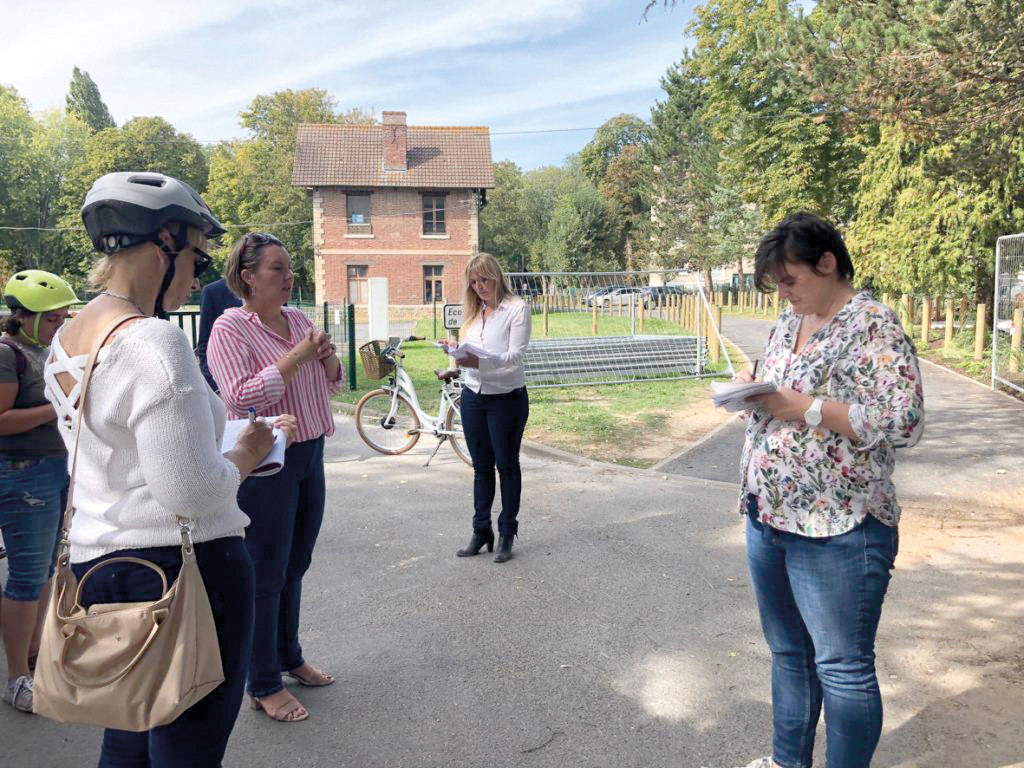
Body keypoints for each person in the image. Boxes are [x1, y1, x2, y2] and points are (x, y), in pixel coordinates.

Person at [43, 171, 297, 766]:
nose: (197, 278)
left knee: (127, 732)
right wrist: (247, 454)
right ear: (165, 244)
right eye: (196, 260)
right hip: (184, 571)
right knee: (189, 746)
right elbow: (191, 490)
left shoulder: (71, 338)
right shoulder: (153, 341)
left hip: (97, 565)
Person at [732, 213, 924, 768]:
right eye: (777, 284)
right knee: (789, 653)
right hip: (767, 515)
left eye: (790, 280)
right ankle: (787, 762)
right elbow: (778, 390)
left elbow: (902, 419)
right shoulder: (786, 325)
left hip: (839, 527)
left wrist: (804, 407)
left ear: (827, 263)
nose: (784, 293)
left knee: (841, 666)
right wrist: (754, 389)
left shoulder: (871, 324)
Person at [207, 232, 343, 723]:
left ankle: (289, 655)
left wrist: (326, 356)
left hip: (311, 452)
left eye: (289, 269)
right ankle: (262, 682)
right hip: (268, 462)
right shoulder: (230, 328)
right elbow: (239, 397)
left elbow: (335, 379)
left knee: (296, 563)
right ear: (248, 278)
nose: (289, 278)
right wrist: (295, 359)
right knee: (265, 571)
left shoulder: (300, 319)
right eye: (277, 269)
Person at [0, 270, 78, 713]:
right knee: (28, 577)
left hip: (52, 470)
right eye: (51, 320)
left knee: (46, 568)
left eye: (61, 318)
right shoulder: (8, 354)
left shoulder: (46, 352)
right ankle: (17, 677)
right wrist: (58, 405)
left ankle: (33, 654)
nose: (58, 326)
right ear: (22, 316)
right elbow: (2, 420)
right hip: (22, 472)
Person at [441, 252, 531, 563]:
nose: (479, 286)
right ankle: (482, 530)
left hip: (506, 397)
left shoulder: (516, 309)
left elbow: (514, 357)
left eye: (484, 279)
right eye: (474, 281)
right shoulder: (474, 313)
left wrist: (479, 361)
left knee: (506, 466)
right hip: (473, 396)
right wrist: (455, 360)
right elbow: (471, 355)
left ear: (497, 276)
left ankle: (507, 531)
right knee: (481, 468)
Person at [195, 277, 241, 392]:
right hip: (225, 387)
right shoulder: (213, 291)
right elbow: (205, 343)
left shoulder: (273, 289)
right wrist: (215, 389)